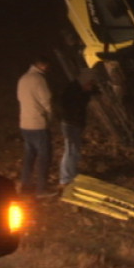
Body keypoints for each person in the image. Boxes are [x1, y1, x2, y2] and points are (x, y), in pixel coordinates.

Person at [17, 55, 53, 198]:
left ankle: (25, 185)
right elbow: (47, 101)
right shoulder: (39, 79)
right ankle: (41, 189)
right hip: (38, 124)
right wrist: (49, 119)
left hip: (24, 124)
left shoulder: (22, 79)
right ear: (43, 65)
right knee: (44, 157)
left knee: (29, 156)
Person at [58, 68, 97, 190]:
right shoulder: (73, 91)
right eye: (90, 83)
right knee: (71, 150)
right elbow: (71, 106)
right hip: (70, 123)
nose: (91, 85)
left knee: (74, 151)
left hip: (75, 123)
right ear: (85, 81)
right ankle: (65, 178)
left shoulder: (80, 89)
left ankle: (71, 174)